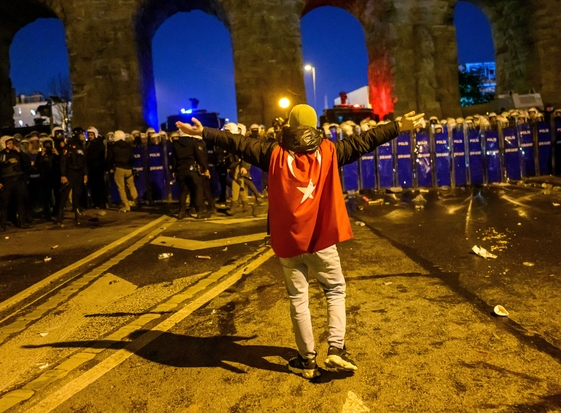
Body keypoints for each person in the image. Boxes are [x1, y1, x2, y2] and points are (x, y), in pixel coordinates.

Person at [177, 105, 424, 379]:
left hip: (288, 243)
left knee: (298, 299)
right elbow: (364, 141)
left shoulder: (273, 153)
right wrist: (398, 127)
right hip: (320, 240)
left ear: (289, 126)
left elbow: (239, 143)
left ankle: (306, 361)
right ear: (314, 125)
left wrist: (204, 133)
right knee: (334, 290)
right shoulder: (330, 151)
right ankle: (336, 349)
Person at [0, 136, 31, 230]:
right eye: (9, 143)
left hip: (18, 179)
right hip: (6, 181)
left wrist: (20, 152)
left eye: (12, 143)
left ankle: (22, 222)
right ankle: (3, 224)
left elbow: (27, 163)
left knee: (20, 201)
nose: (11, 145)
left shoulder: (17, 153)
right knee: (4, 203)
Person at [171, 129, 209, 220]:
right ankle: (199, 212)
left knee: (183, 191)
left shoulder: (175, 144)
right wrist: (205, 168)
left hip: (181, 170)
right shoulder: (193, 142)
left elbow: (174, 159)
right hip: (192, 169)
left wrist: (174, 170)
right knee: (198, 189)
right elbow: (199, 157)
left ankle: (181, 212)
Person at [57, 127, 88, 225]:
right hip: (70, 172)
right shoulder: (69, 146)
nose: (83, 136)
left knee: (77, 194)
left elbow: (84, 162)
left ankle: (77, 215)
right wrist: (63, 175)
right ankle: (59, 217)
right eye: (82, 134)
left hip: (79, 173)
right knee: (65, 195)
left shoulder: (82, 146)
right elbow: (63, 161)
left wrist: (85, 174)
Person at [107, 130, 137, 212]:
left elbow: (110, 158)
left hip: (119, 168)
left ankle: (126, 205)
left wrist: (109, 168)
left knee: (121, 188)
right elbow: (132, 158)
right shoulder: (128, 146)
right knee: (131, 185)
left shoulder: (113, 146)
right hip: (129, 168)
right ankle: (135, 201)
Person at [86, 127, 108, 209]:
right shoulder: (89, 144)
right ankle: (96, 202)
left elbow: (95, 156)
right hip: (91, 168)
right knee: (93, 186)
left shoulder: (99, 144)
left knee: (100, 186)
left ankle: (102, 202)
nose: (90, 136)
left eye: (91, 135)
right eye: (89, 135)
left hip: (98, 168)